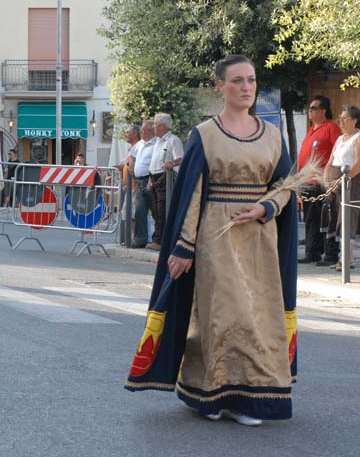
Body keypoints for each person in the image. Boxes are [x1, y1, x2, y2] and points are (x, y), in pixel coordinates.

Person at [126, 55, 298, 426]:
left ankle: (248, 395)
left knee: (257, 316)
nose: (246, 87)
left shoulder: (271, 135)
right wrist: (184, 247)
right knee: (224, 314)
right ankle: (213, 392)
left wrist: (266, 207)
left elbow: (286, 185)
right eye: (237, 80)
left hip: (259, 239)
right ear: (220, 85)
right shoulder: (204, 134)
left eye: (251, 80)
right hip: (216, 237)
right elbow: (191, 192)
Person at [297, 95, 341, 265]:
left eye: (313, 108)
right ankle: (312, 252)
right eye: (309, 108)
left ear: (323, 110)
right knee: (311, 220)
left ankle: (331, 254)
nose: (310, 111)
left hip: (324, 183)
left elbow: (337, 152)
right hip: (308, 182)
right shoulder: (311, 129)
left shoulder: (330, 128)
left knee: (328, 220)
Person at [322, 106, 360, 272]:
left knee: (347, 219)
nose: (341, 121)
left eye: (345, 118)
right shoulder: (339, 139)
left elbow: (358, 163)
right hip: (334, 185)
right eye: (340, 117)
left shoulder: (358, 138)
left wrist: (344, 179)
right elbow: (331, 161)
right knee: (335, 219)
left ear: (354, 120)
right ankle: (338, 257)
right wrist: (326, 179)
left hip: (349, 183)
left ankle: (347, 259)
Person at [146, 113, 184, 250]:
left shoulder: (173, 140)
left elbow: (180, 158)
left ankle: (160, 241)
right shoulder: (157, 141)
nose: (153, 127)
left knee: (162, 210)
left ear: (162, 126)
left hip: (165, 178)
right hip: (155, 177)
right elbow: (154, 161)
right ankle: (158, 238)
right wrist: (150, 179)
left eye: (155, 124)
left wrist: (171, 163)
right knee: (156, 210)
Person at [129, 120, 156, 248]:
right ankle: (140, 239)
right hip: (139, 180)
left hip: (151, 180)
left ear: (151, 131)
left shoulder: (156, 143)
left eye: (144, 130)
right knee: (139, 211)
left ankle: (159, 238)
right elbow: (131, 155)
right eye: (141, 130)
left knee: (156, 210)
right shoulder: (140, 144)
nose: (141, 132)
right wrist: (132, 165)